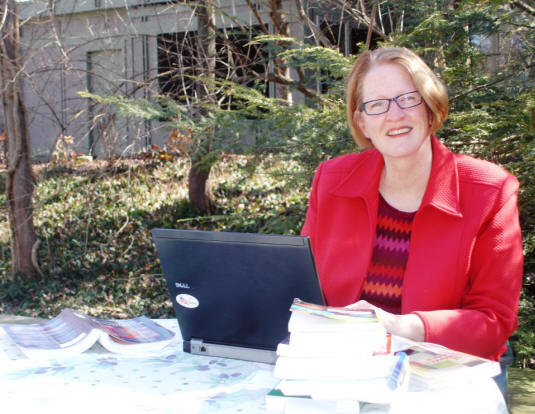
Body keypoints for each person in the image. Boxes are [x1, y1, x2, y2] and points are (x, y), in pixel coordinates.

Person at [301, 47, 523, 377]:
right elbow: (304, 289)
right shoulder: (331, 181)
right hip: (349, 368)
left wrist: (402, 327)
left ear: (430, 109)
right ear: (362, 123)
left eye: (408, 99)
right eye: (377, 104)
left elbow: (495, 321)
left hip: (449, 373)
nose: (395, 115)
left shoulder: (490, 191)